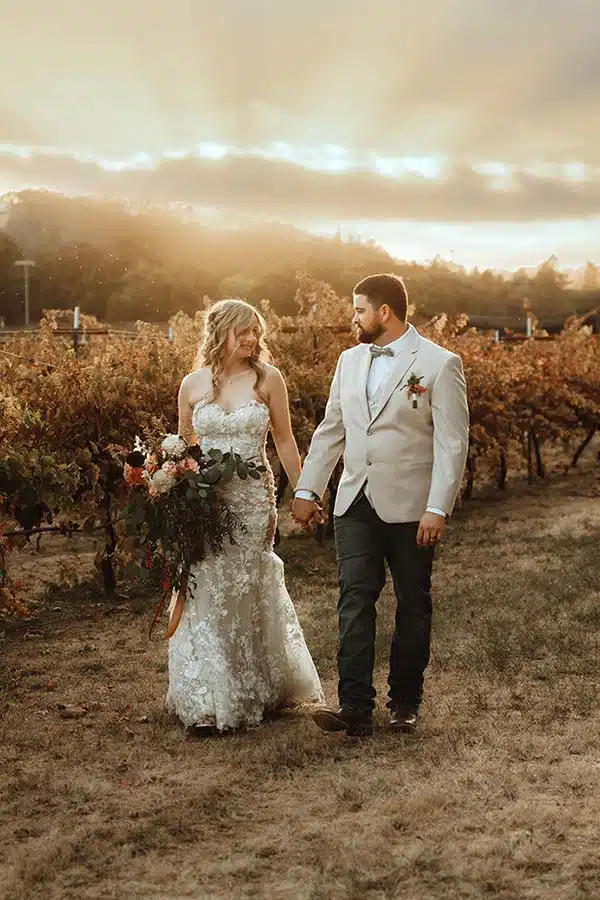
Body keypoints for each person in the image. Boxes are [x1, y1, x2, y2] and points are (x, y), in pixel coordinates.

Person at [292, 273, 469, 737]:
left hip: (413, 507)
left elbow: (453, 444)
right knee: (354, 600)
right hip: (354, 501)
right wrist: (309, 490)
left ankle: (404, 704)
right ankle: (354, 707)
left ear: (384, 311)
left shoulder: (439, 364)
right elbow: (332, 429)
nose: (353, 318)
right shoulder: (349, 361)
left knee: (413, 603)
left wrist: (438, 508)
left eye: (358, 309)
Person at [166, 298, 323, 732]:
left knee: (247, 583)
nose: (253, 339)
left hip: (253, 502)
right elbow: (185, 450)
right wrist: (180, 492)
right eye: (243, 331)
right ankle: (206, 695)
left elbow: (286, 441)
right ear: (220, 334)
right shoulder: (193, 385)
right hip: (207, 505)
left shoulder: (268, 379)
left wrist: (306, 492)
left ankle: (253, 684)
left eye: (256, 331)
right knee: (207, 587)